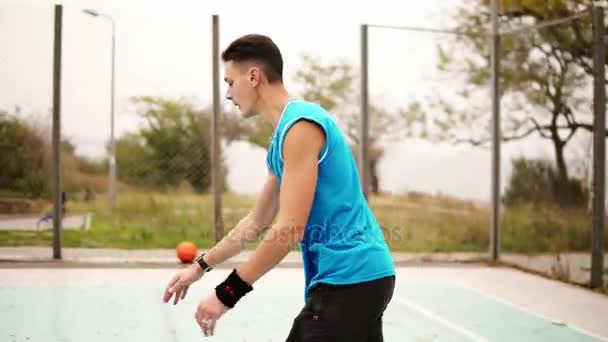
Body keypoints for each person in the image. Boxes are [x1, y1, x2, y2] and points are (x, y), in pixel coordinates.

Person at [162, 34, 396, 341]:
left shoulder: (301, 126)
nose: (229, 93)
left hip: (349, 279)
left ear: (254, 76)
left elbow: (288, 230)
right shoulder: (282, 139)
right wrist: (199, 267)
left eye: (230, 82)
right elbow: (257, 221)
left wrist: (225, 295)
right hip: (359, 279)